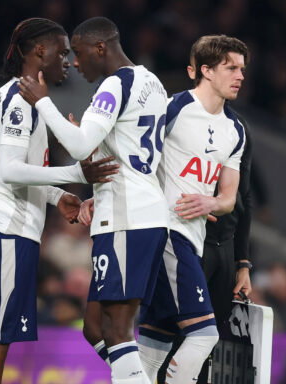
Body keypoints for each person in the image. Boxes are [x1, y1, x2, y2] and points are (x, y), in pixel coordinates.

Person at [77, 34, 252, 383]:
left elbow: (230, 197)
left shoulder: (236, 130)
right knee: (204, 335)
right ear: (205, 70)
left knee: (154, 344)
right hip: (166, 230)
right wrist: (101, 193)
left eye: (243, 69)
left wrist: (211, 201)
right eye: (231, 67)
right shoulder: (173, 108)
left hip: (194, 236)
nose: (240, 76)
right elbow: (131, 152)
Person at [0, 18, 119, 384]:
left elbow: (18, 170)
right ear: (39, 51)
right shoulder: (20, 100)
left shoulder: (14, 95)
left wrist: (56, 195)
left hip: (2, 229)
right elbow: (11, 170)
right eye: (62, 52)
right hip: (6, 230)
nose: (67, 61)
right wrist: (78, 175)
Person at [19, 17, 169, 384]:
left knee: (118, 331)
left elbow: (79, 145)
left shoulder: (114, 86)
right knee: (94, 329)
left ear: (101, 48)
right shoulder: (153, 82)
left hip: (127, 218)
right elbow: (122, 151)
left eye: (79, 53)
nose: (73, 63)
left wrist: (43, 104)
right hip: (135, 212)